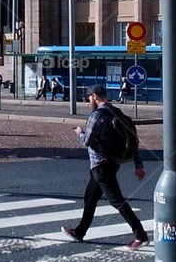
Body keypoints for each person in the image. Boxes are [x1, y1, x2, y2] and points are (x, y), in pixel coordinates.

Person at [62, 84, 149, 250]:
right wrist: (138, 165)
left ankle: (140, 235)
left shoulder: (96, 115)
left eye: (89, 97)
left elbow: (86, 141)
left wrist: (79, 132)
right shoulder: (117, 112)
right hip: (112, 163)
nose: (89, 100)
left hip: (100, 166)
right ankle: (80, 232)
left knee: (117, 201)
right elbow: (133, 139)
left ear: (95, 96)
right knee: (90, 197)